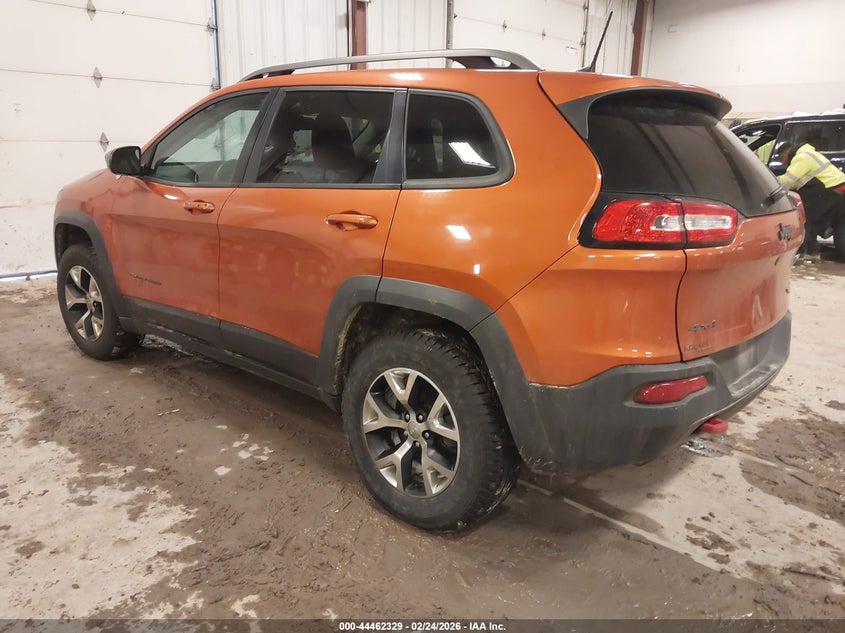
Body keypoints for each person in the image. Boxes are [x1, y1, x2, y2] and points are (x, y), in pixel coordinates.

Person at [776, 141, 845, 263]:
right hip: (839, 189)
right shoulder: (809, 153)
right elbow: (798, 182)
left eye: (782, 158)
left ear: (786, 151)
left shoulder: (801, 157)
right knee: (840, 225)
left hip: (828, 190)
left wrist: (770, 181)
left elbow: (788, 180)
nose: (783, 162)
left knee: (807, 219)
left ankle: (811, 252)